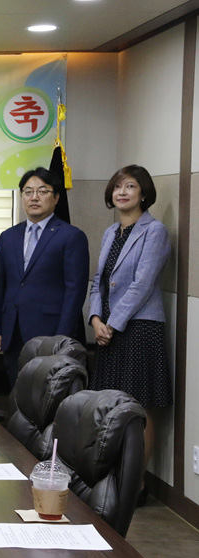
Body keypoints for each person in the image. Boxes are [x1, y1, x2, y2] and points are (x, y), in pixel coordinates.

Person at [89, 165, 172, 470]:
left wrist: (111, 323)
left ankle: (136, 484)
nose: (122, 192)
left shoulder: (154, 231)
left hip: (139, 329)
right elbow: (98, 281)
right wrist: (96, 319)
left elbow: (142, 284)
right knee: (110, 406)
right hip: (107, 331)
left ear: (144, 193)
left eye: (130, 186)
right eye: (117, 187)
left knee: (137, 409)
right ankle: (112, 479)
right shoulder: (111, 232)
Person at [0, 167, 89, 386]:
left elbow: (75, 291)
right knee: (17, 392)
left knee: (48, 395)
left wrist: (61, 339)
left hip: (50, 333)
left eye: (42, 191)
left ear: (56, 198)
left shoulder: (71, 236)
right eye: (28, 192)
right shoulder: (8, 236)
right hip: (13, 332)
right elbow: (0, 285)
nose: (34, 197)